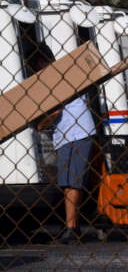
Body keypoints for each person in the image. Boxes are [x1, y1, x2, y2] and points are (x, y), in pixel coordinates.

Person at [33, 42, 96, 244]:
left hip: (78, 131)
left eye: (36, 64)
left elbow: (55, 111)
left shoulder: (59, 77)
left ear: (43, 61)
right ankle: (71, 227)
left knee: (73, 182)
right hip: (65, 134)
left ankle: (71, 227)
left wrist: (41, 124)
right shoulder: (56, 76)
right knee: (67, 182)